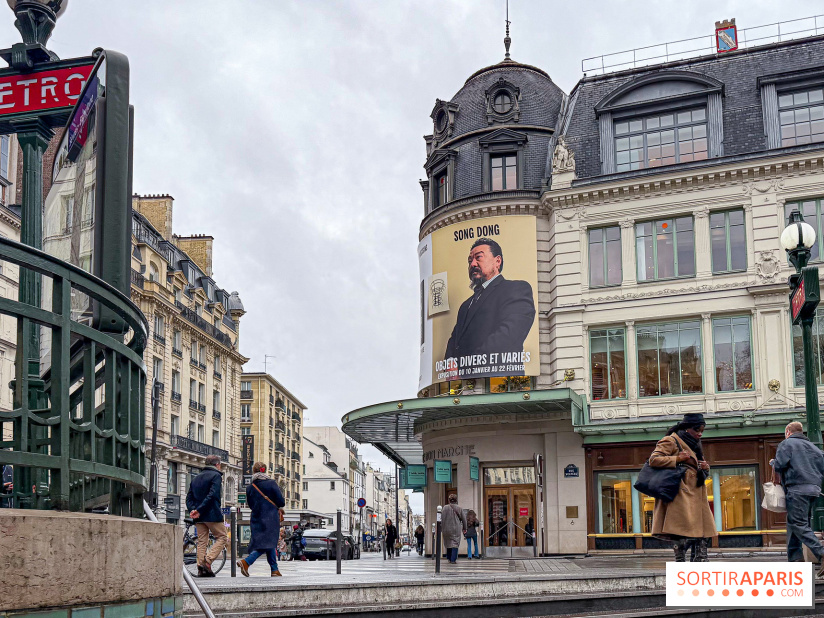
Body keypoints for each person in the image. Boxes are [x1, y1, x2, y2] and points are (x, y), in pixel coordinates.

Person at [443, 238, 536, 371]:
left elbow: (509, 335)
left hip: (502, 378)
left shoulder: (516, 289)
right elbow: (454, 342)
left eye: (478, 257)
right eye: (470, 261)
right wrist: (450, 366)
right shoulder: (465, 306)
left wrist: (465, 367)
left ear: (497, 261)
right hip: (465, 380)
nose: (473, 264)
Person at [648, 413, 716, 562]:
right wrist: (678, 458)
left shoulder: (694, 443)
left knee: (701, 531)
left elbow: (697, 466)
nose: (700, 433)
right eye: (697, 429)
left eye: (702, 430)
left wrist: (705, 467)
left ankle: (700, 559)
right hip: (680, 491)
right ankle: (681, 559)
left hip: (695, 490)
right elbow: (654, 460)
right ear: (686, 428)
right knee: (685, 531)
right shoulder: (671, 440)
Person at [772, 421, 824, 573]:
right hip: (813, 490)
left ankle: (821, 553)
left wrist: (773, 462)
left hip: (796, 489)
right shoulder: (815, 448)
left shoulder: (787, 444)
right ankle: (795, 560)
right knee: (794, 523)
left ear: (788, 432)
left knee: (798, 524)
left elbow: (780, 465)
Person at [237, 462, 285, 577]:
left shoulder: (250, 487)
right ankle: (247, 562)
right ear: (265, 470)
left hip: (256, 518)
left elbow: (250, 504)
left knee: (268, 542)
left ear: (254, 471)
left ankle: (274, 569)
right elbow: (281, 502)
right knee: (267, 543)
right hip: (270, 518)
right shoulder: (271, 483)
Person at [185, 454, 229, 577]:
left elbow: (189, 498)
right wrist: (199, 510)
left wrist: (193, 510)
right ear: (217, 465)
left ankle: (200, 567)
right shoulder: (216, 476)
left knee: (201, 541)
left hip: (199, 517)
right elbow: (213, 495)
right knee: (222, 537)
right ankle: (207, 561)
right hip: (211, 514)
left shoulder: (196, 477)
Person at [441, 494, 467, 564]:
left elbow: (441, 518)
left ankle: (449, 558)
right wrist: (465, 528)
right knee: (455, 543)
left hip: (446, 529)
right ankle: (453, 559)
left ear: (449, 500)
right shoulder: (459, 508)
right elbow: (464, 520)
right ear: (456, 500)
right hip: (455, 528)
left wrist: (441, 528)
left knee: (448, 543)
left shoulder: (444, 508)